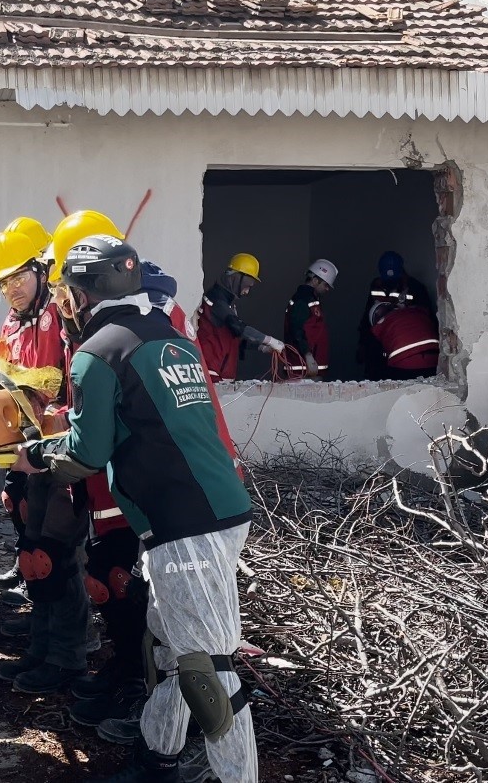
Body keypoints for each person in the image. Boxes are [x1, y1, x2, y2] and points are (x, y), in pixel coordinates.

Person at [19, 235, 257, 783]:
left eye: (68, 292)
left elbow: (85, 453)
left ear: (82, 294)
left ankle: (235, 776)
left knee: (205, 668)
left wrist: (34, 456)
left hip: (184, 521)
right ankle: (157, 758)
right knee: (168, 648)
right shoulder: (169, 337)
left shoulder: (97, 352)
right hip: (215, 507)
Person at [0, 222, 65, 598]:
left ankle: (58, 610)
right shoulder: (12, 322)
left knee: (52, 525)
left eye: (18, 277)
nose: (11, 288)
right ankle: (26, 572)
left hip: (58, 436)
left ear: (41, 270)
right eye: (4, 282)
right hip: (23, 433)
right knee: (15, 501)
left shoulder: (61, 315)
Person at [194, 253, 284, 382]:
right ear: (237, 278)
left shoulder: (227, 304)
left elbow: (232, 339)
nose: (246, 292)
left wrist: (261, 347)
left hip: (221, 373)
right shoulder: (217, 300)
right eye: (247, 285)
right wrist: (268, 340)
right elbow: (238, 327)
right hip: (211, 372)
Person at [357, 250, 436, 379]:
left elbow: (426, 320)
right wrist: (362, 344)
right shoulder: (376, 286)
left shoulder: (415, 288)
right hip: (380, 343)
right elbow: (368, 317)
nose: (390, 283)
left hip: (405, 345)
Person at [283, 258, 337, 380]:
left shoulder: (310, 299)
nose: (327, 289)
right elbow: (297, 329)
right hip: (302, 368)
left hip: (309, 368)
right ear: (315, 280)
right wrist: (307, 355)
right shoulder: (302, 300)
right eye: (326, 285)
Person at [368, 301, 440, 379]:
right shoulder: (416, 311)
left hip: (405, 364)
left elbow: (376, 359)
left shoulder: (379, 328)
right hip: (435, 359)